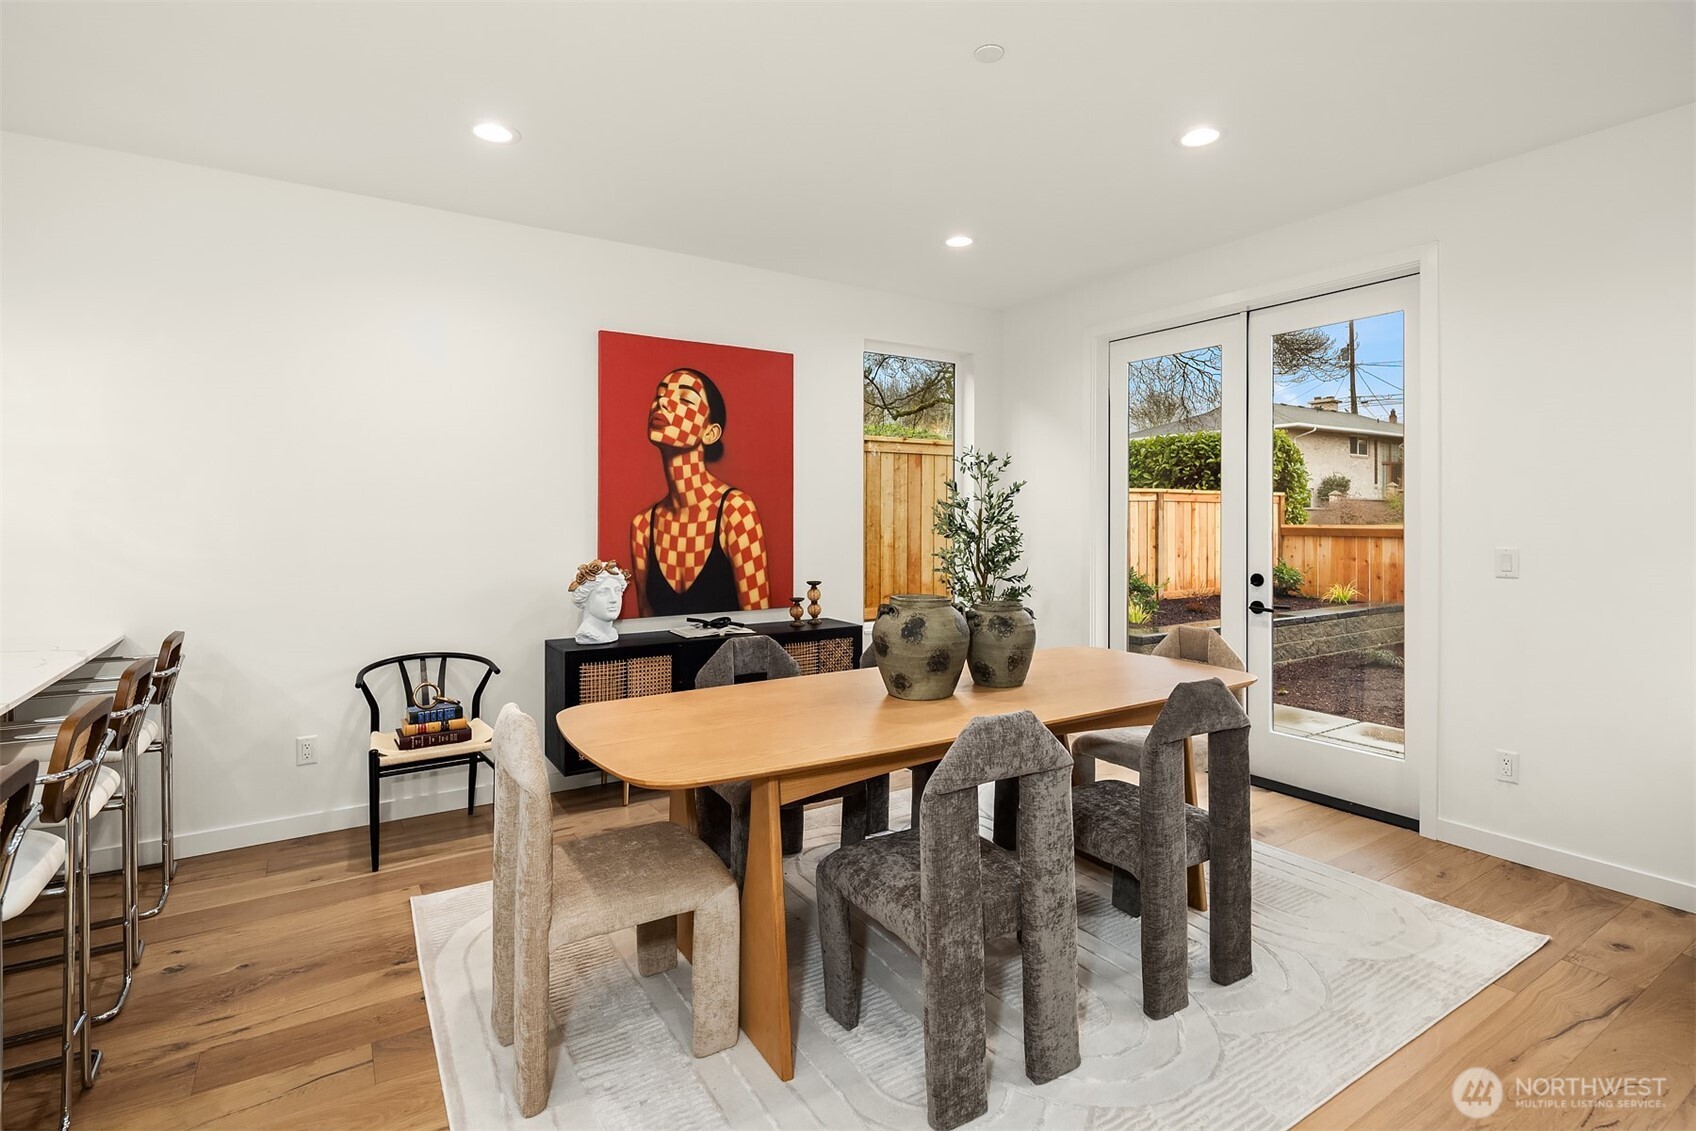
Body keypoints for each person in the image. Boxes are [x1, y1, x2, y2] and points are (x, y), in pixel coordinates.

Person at [628, 368, 769, 616]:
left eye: (684, 399)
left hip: (731, 656)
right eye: (660, 394)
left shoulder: (736, 510)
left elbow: (758, 625)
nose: (662, 402)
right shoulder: (643, 526)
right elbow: (646, 630)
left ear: (710, 432)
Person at [569, 559, 628, 644]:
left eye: (617, 591)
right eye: (603, 592)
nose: (614, 599)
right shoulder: (586, 635)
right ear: (585, 598)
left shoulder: (612, 634)